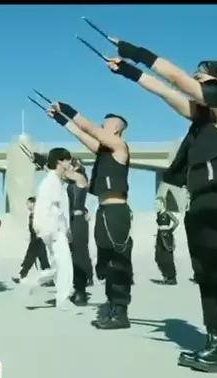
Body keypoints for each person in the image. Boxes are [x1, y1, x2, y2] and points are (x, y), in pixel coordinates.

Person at [107, 37, 217, 372]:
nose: (196, 76)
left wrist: (136, 52)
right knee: (205, 274)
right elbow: (165, 91)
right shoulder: (201, 122)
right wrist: (128, 71)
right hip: (199, 202)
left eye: (203, 74)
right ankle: (215, 340)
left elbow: (176, 79)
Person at [48, 101, 133, 328]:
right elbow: (81, 133)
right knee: (106, 262)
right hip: (103, 210)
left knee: (118, 261)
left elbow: (89, 128)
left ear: (116, 129)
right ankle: (112, 307)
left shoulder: (119, 146)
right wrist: (60, 118)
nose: (101, 127)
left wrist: (66, 108)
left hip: (117, 211)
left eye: (106, 125)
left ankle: (121, 312)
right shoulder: (103, 150)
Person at [28, 148, 75, 309]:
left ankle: (33, 281)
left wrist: (65, 229)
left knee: (59, 264)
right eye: (68, 160)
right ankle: (63, 299)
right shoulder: (51, 182)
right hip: (53, 229)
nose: (70, 163)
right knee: (64, 263)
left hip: (56, 229)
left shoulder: (55, 180)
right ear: (60, 161)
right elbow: (45, 208)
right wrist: (51, 231)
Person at [65, 158, 94, 291]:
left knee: (80, 249)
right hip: (73, 218)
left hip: (79, 219)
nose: (69, 166)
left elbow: (63, 174)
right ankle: (82, 276)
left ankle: (87, 276)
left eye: (72, 164)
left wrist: (50, 165)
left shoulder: (80, 177)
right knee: (75, 249)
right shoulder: (72, 180)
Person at [12, 197, 51, 284]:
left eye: (28, 203)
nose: (27, 205)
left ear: (34, 204)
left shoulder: (39, 214)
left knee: (31, 257)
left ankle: (22, 275)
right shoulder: (31, 214)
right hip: (34, 238)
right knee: (42, 258)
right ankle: (49, 277)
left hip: (39, 238)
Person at [153, 196, 180, 285]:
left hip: (167, 236)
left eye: (157, 203)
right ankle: (165, 275)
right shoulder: (158, 213)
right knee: (158, 256)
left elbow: (176, 221)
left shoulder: (167, 212)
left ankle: (172, 278)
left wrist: (170, 230)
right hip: (159, 235)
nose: (156, 205)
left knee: (167, 257)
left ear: (162, 203)